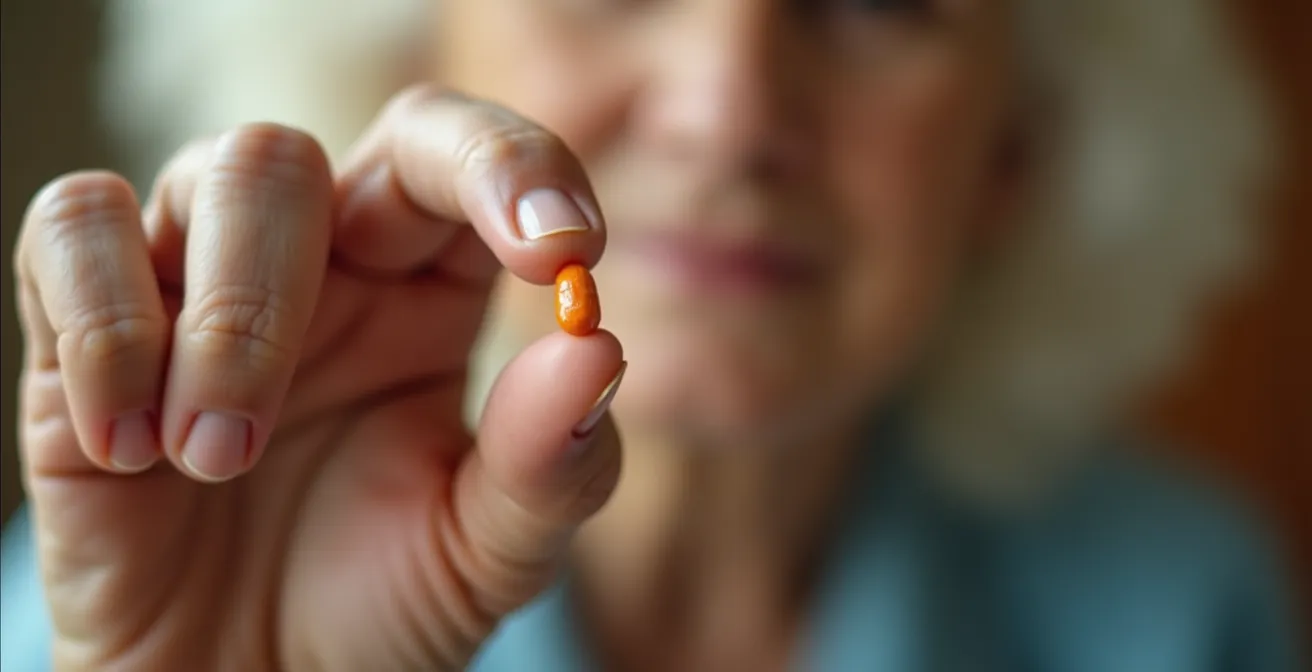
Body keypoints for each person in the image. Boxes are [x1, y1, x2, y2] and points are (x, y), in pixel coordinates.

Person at [2, 0, 1302, 669]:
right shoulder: (106, 601)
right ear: (404, 40)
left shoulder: (1181, 616)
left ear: (1019, 144)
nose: (729, 108)